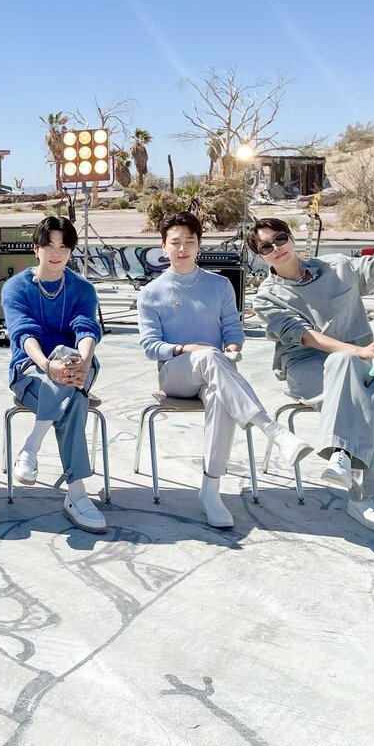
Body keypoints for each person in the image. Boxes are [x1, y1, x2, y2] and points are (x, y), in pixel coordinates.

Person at [249, 187, 374, 534]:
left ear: (291, 238)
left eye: (280, 238)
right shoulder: (266, 297)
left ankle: (341, 458)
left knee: (348, 375)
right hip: (307, 368)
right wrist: (358, 351)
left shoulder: (338, 266)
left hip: (359, 367)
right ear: (259, 256)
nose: (276, 247)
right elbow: (306, 337)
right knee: (352, 386)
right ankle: (364, 497)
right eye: (266, 247)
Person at [137, 212, 312, 527]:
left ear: (199, 244)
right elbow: (150, 346)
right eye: (175, 242)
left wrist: (231, 348)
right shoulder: (151, 293)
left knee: (220, 395)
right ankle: (271, 429)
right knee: (207, 355)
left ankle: (211, 491)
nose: (182, 248)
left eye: (189, 241)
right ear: (163, 246)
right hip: (176, 375)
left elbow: (233, 329)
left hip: (216, 372)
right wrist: (184, 349)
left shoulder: (219, 285)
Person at [1, 216, 108, 533]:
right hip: (29, 370)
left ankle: (31, 447)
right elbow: (24, 334)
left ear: (71, 251)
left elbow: (86, 329)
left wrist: (84, 361)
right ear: (36, 248)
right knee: (75, 400)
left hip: (75, 368)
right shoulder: (16, 287)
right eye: (49, 246)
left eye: (63, 246)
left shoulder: (82, 288)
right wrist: (48, 366)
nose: (56, 253)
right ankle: (77, 495)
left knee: (70, 360)